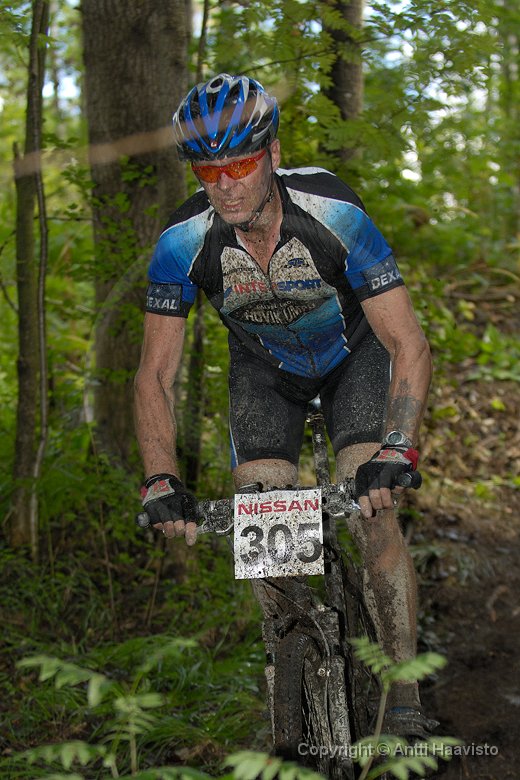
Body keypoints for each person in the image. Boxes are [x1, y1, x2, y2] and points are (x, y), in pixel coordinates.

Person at [134, 73, 437, 737]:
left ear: (271, 155)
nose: (225, 186)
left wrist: (397, 446)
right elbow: (154, 373)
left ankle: (405, 690)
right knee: (261, 512)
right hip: (265, 372)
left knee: (371, 508)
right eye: (208, 171)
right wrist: (160, 477)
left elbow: (407, 342)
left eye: (240, 165)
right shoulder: (182, 241)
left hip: (355, 358)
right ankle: (290, 664)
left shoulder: (333, 212)